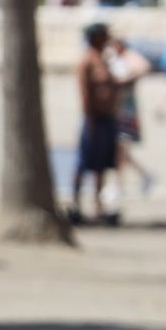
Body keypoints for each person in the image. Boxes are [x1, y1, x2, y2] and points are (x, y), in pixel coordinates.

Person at [71, 22, 122, 226]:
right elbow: (85, 94)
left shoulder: (104, 59)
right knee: (85, 162)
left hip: (107, 119)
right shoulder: (87, 62)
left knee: (101, 165)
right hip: (94, 120)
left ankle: (98, 205)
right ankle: (75, 203)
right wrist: (90, 119)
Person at [106, 34, 155, 197]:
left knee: (120, 149)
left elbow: (144, 66)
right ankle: (144, 176)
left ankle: (118, 186)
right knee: (119, 151)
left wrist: (125, 79)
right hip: (115, 109)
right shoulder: (114, 57)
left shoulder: (129, 56)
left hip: (126, 110)